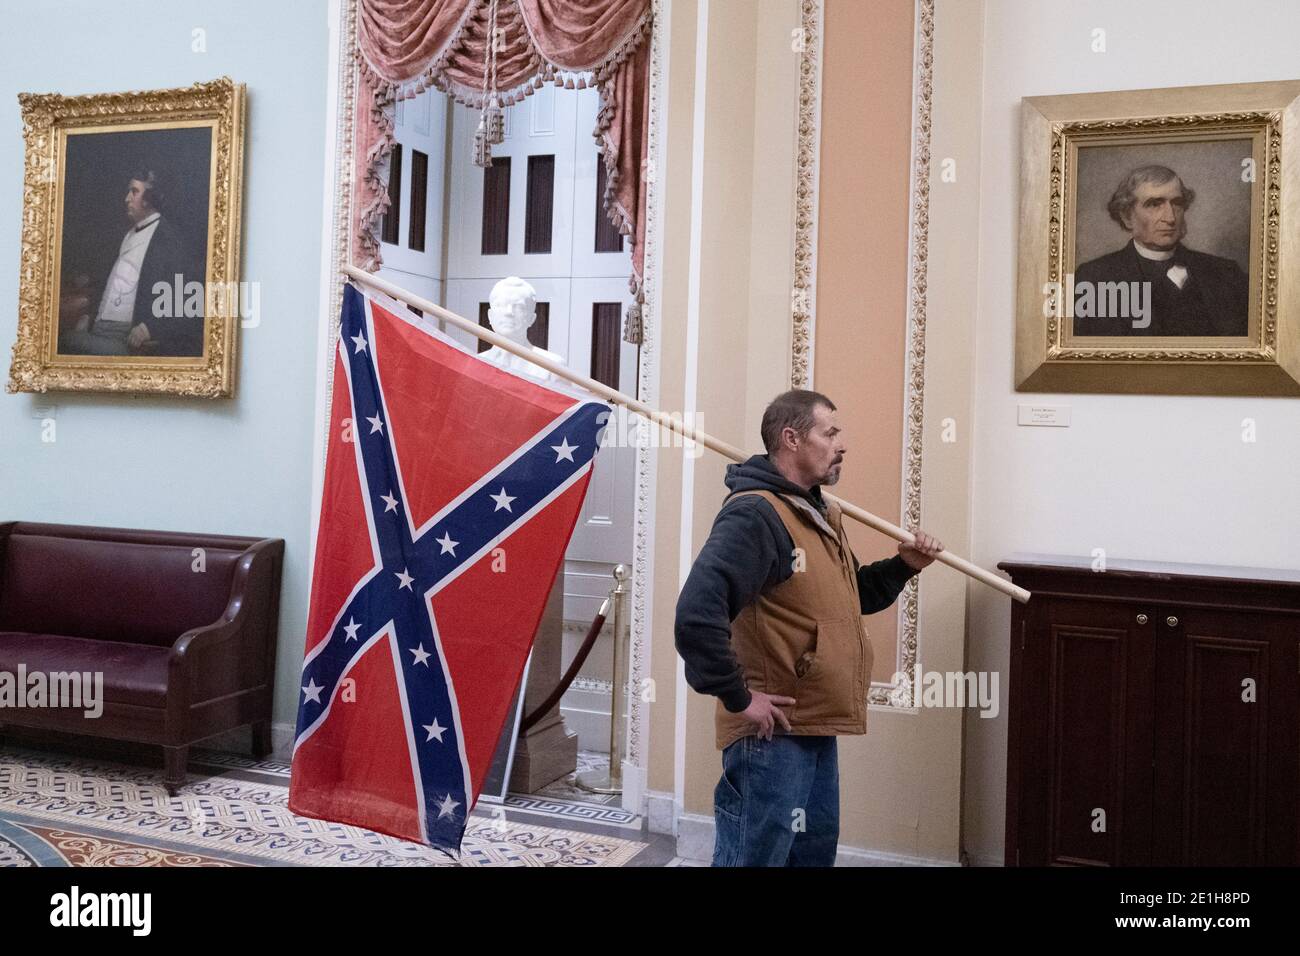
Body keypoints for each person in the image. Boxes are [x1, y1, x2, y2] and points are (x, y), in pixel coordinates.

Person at [674, 388, 943, 867]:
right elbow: (696, 614)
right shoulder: (756, 514)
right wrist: (739, 698)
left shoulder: (818, 512)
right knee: (755, 859)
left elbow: (850, 598)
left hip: (815, 722)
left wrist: (905, 566)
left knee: (809, 855)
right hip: (770, 735)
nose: (842, 444)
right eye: (830, 432)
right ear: (792, 438)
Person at [1073, 164, 1247, 337]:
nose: (1170, 218)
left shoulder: (1227, 273)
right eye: (1154, 204)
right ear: (1127, 217)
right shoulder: (1093, 278)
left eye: (1177, 204)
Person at [59, 169, 202, 356]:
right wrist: (89, 316)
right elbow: (111, 284)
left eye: (134, 192)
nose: (127, 198)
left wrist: (149, 328)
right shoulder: (128, 234)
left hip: (126, 338)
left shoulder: (169, 240)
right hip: (98, 328)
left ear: (150, 198)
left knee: (65, 341)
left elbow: (188, 300)